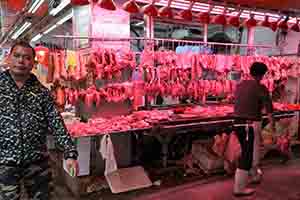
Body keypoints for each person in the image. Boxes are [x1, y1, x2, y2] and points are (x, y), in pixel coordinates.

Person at [0, 41, 79, 200]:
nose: (21, 61)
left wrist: (70, 153)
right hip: (4, 161)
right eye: (17, 56)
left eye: (27, 58)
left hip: (37, 162)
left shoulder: (41, 92)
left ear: (33, 64)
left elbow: (55, 121)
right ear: (8, 59)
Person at [233, 62, 274, 196]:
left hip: (237, 123)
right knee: (247, 155)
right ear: (263, 75)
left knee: (247, 152)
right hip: (248, 124)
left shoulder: (240, 85)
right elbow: (269, 109)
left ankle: (252, 176)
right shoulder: (260, 87)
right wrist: (272, 125)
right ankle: (239, 189)